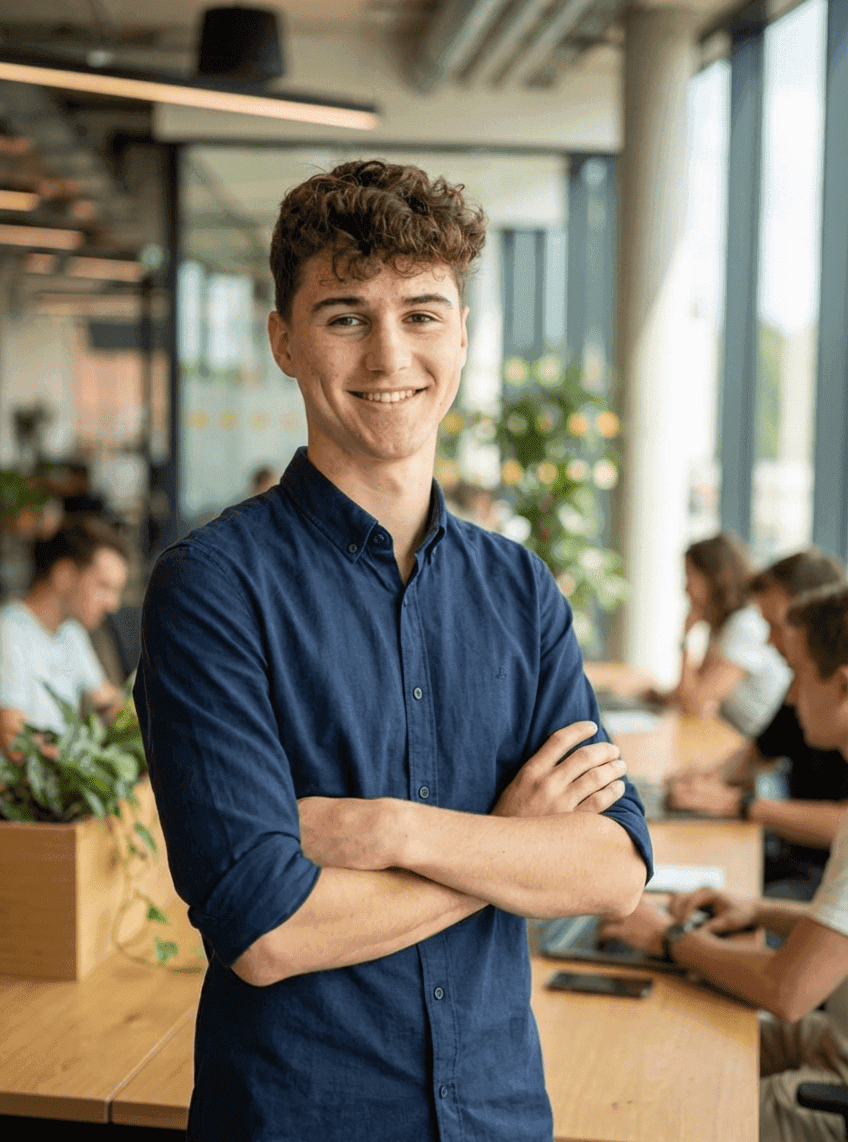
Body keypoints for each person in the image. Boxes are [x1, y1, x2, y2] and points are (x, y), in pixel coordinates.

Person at [133, 159, 652, 1142]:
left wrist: (392, 831)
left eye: (420, 313)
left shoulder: (519, 588)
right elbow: (267, 930)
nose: (388, 353)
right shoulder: (212, 588)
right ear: (284, 339)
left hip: (498, 1116)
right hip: (297, 1119)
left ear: (461, 335)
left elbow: (613, 871)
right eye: (344, 315)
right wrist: (506, 844)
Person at [600, 582, 848, 1141]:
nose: (786, 694)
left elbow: (788, 993)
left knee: (676, 1111)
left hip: (837, 1078)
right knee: (680, 1032)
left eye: (799, 673)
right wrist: (758, 911)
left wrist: (668, 937)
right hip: (833, 1036)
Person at [666, 548, 848, 900]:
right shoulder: (806, 688)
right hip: (794, 853)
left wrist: (741, 804)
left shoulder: (816, 687)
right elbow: (760, 749)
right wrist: (706, 780)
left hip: (816, 870)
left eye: (775, 626)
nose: (768, 640)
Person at [0, 519, 129, 760]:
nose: (113, 604)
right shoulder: (9, 630)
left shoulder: (71, 633)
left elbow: (111, 705)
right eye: (104, 586)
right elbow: (16, 743)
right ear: (64, 575)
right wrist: (87, 771)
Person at [646, 532, 791, 736]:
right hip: (739, 741)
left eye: (690, 578)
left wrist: (686, 639)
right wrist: (652, 693)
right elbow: (685, 697)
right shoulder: (721, 627)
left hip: (761, 752)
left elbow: (695, 705)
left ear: (713, 579)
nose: (686, 589)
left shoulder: (743, 626)